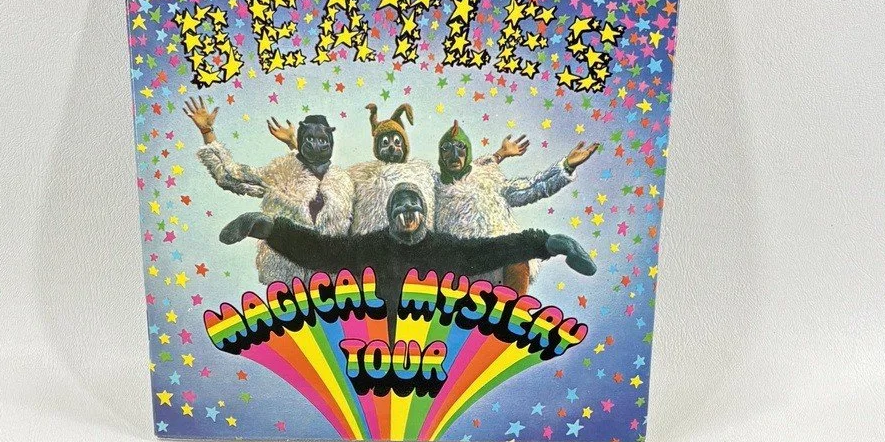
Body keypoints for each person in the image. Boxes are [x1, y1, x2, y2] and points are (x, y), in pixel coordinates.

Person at [218, 181, 595, 340]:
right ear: (389, 214)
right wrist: (267, 227)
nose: (407, 212)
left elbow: (494, 249)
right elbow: (321, 252)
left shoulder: (446, 248)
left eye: (414, 205)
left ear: (424, 213)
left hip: (433, 346)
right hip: (376, 346)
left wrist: (549, 242)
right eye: (399, 206)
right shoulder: (369, 247)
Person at [184, 99, 353, 283]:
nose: (316, 145)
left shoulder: (343, 182)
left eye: (322, 140)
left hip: (332, 280)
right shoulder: (281, 172)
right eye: (310, 139)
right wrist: (207, 132)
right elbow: (231, 175)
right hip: (287, 276)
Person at [434, 122, 601, 294]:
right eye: (447, 149)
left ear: (467, 152)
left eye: (460, 148)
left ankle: (517, 303)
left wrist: (566, 166)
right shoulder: (435, 187)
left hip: (503, 255)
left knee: (519, 256)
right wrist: (500, 153)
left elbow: (532, 187)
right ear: (441, 155)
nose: (454, 155)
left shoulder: (487, 180)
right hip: (464, 267)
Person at [347, 102, 437, 234]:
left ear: (405, 146)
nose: (391, 147)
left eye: (396, 142)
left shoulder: (420, 174)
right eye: (385, 143)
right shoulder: (365, 177)